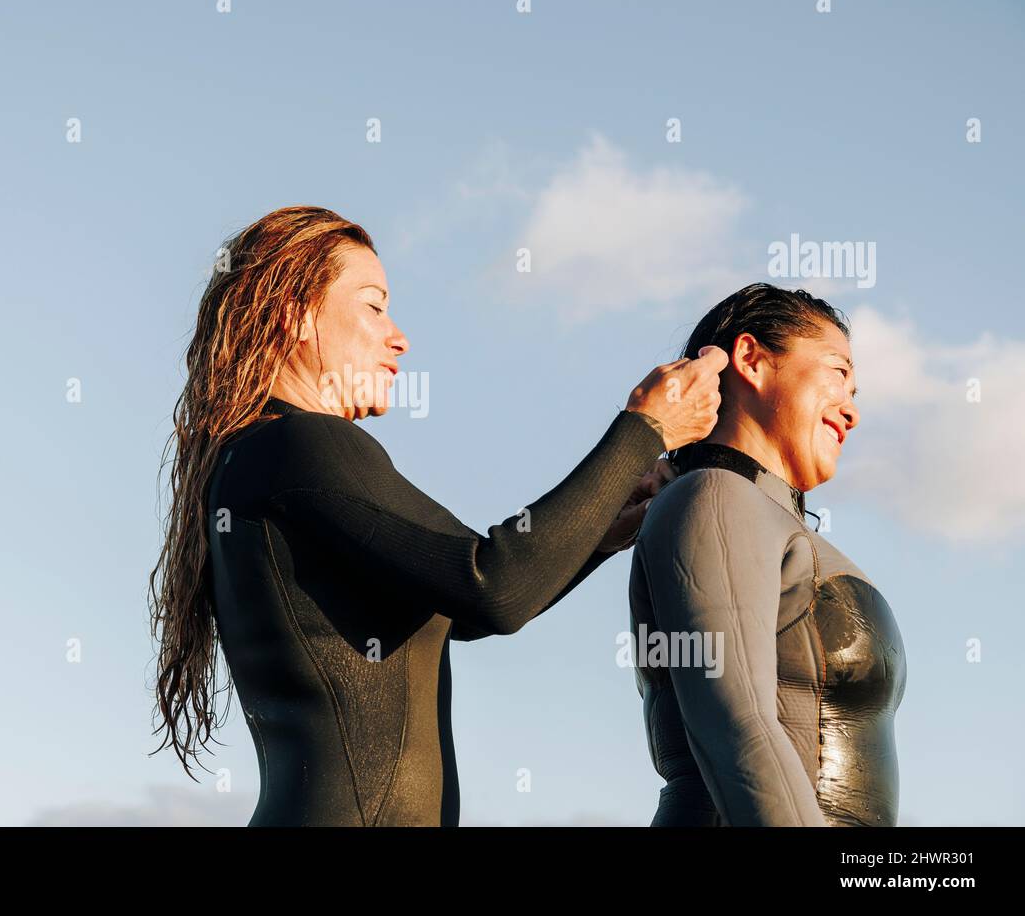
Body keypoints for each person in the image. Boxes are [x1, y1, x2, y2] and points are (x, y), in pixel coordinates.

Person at [149, 205, 726, 825]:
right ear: (295, 312)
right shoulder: (302, 445)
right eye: (374, 305)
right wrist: (644, 427)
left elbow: (461, 605)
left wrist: (604, 532)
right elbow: (492, 584)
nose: (400, 337)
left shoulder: (258, 456)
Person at [629, 283, 906, 826]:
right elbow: (737, 724)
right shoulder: (714, 496)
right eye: (838, 374)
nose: (851, 411)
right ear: (751, 360)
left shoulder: (759, 518)